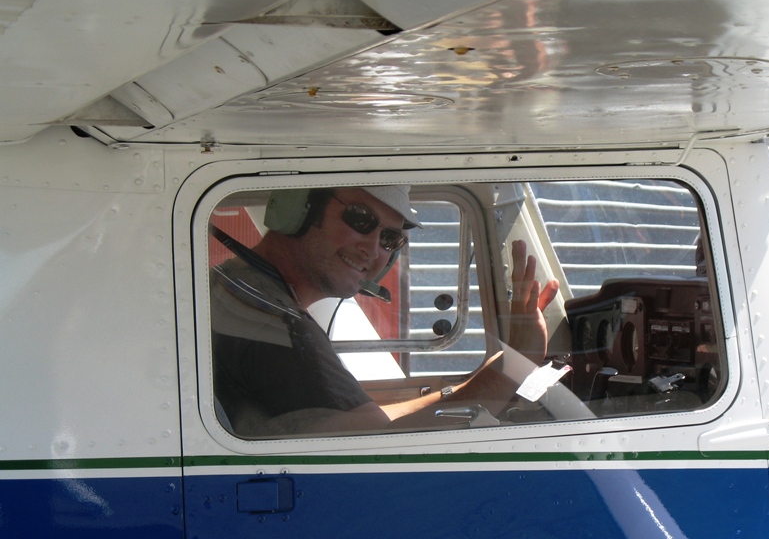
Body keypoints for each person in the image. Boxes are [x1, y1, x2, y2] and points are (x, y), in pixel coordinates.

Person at [210, 184, 559, 437]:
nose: (373, 249)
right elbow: (379, 445)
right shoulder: (270, 320)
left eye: (391, 239)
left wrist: (478, 381)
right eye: (360, 219)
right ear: (298, 205)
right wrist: (515, 365)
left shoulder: (237, 286)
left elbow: (369, 423)